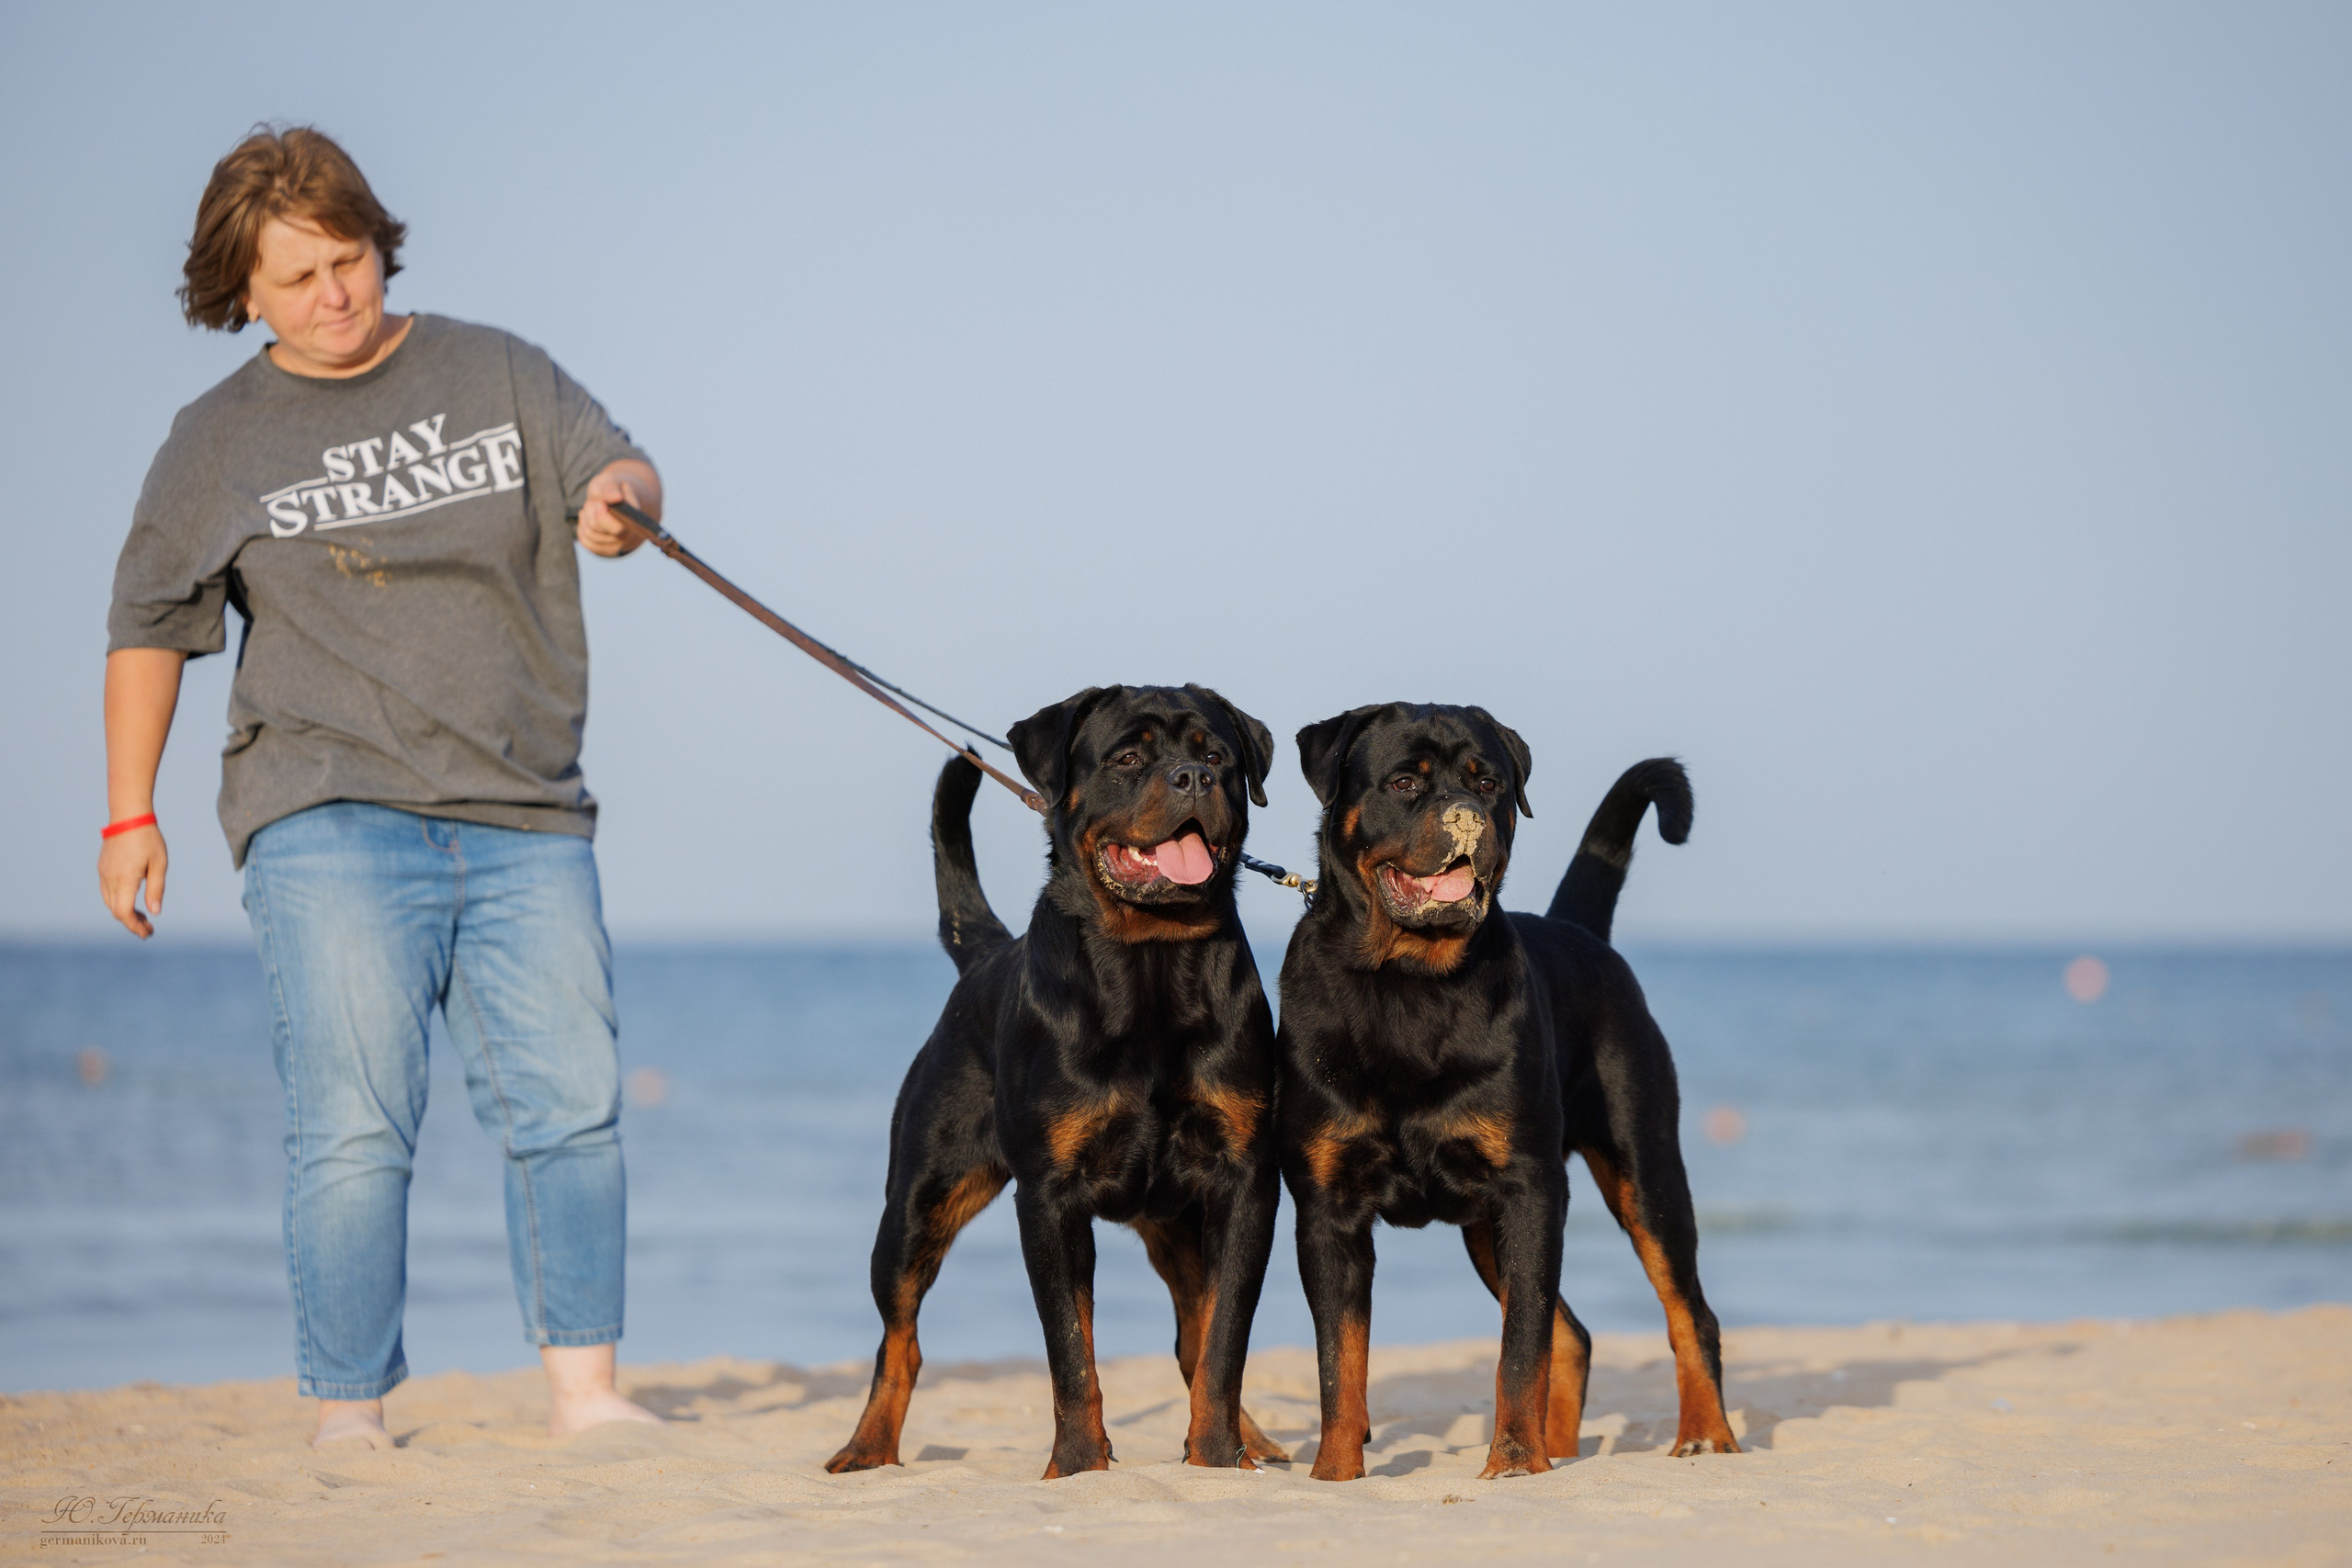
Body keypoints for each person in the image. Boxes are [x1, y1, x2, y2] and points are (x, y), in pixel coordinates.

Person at [100, 126, 664, 1447]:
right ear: (240, 291)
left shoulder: (496, 370)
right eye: (295, 280)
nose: (333, 297)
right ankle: (348, 1413)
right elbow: (148, 624)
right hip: (326, 807)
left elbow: (621, 466)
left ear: (375, 243)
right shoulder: (214, 440)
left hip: (527, 810)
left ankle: (588, 1396)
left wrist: (622, 503)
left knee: (571, 1106)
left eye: (345, 261)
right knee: (354, 1123)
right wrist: (130, 811)